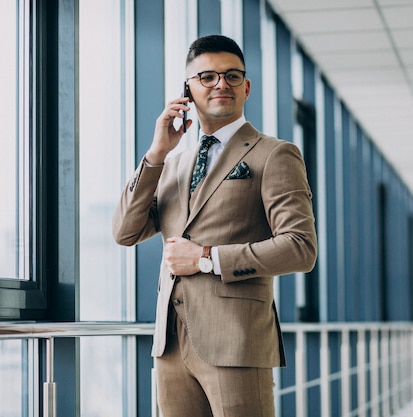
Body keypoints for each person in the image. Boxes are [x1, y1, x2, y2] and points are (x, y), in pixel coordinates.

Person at [113, 34, 317, 417]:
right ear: (187, 91)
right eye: (207, 77)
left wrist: (207, 258)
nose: (221, 84)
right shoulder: (171, 164)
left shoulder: (275, 154)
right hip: (171, 346)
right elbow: (125, 231)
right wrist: (156, 153)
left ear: (246, 87)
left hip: (236, 342)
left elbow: (300, 247)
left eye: (232, 75)